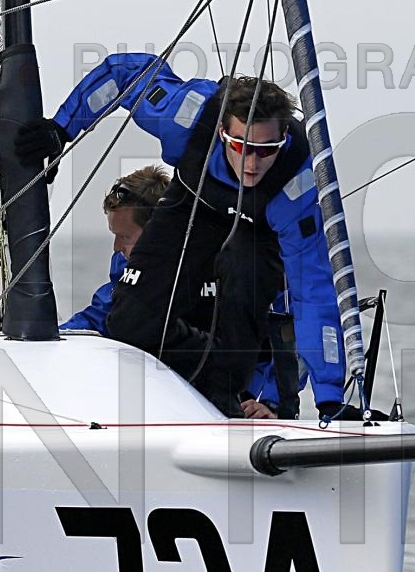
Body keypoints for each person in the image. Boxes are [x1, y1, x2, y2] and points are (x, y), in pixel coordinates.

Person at [18, 55, 351, 418]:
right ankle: (200, 382)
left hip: (258, 230)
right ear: (222, 131)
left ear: (283, 138)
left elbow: (313, 295)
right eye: (239, 146)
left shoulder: (298, 188)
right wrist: (61, 129)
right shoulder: (188, 118)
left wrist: (330, 401)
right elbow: (125, 76)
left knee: (243, 295)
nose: (251, 163)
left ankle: (229, 392)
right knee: (129, 321)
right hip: (192, 204)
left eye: (265, 150)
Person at [63, 162, 305, 420]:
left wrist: (272, 402)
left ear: (157, 231)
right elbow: (102, 314)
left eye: (124, 237)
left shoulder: (231, 258)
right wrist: (52, 337)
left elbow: (290, 330)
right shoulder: (128, 266)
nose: (116, 247)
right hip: (173, 394)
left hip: (242, 394)